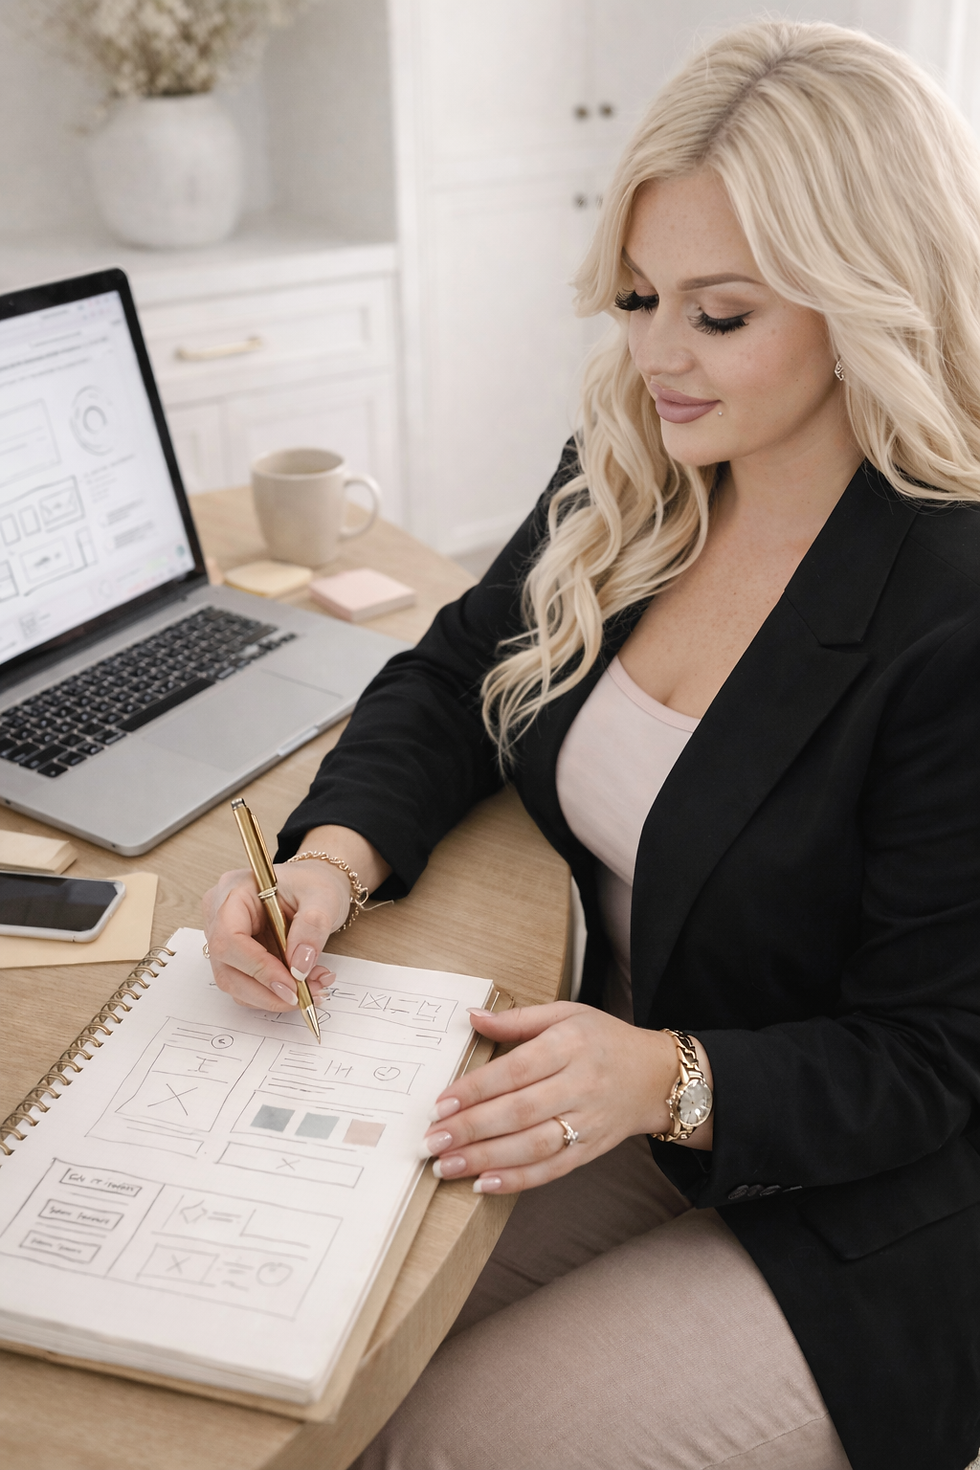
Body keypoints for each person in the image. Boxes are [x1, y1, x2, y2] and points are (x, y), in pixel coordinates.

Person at [203, 19, 980, 1470]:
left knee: (434, 1443)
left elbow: (934, 1058)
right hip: (613, 1069)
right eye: (636, 296)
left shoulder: (949, 610)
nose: (654, 356)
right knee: (292, 1359)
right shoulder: (644, 462)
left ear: (871, 299)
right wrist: (331, 852)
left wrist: (662, 1078)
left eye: (719, 313)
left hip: (861, 1194)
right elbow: (454, 671)